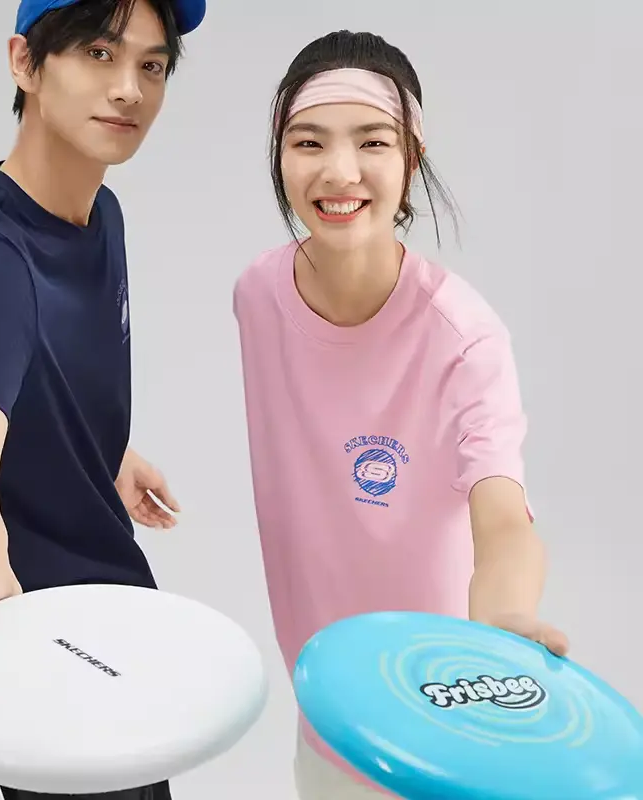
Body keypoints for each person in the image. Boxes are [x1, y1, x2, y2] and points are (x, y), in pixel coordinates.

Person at [232, 30, 570, 799]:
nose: (338, 171)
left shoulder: (464, 337)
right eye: (308, 141)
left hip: (445, 714)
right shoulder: (257, 296)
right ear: (280, 156)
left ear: (412, 157)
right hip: (329, 707)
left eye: (372, 142)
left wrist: (504, 621)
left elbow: (503, 515)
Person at [0, 0, 205, 797]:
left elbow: (24, 371)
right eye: (99, 53)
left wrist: (99, 451)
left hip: (113, 622)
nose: (129, 88)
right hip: (47, 657)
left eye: (151, 65)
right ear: (25, 63)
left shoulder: (99, 215)